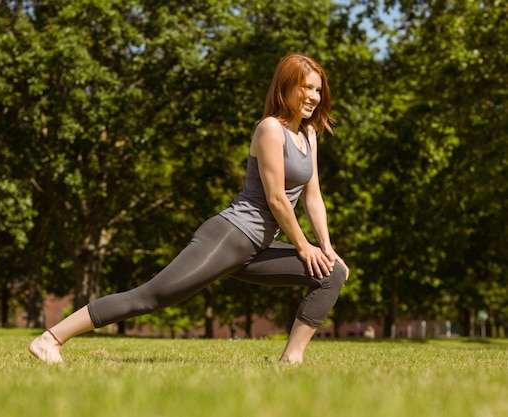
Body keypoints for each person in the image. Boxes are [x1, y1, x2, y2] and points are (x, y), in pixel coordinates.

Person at [29, 53, 349, 365]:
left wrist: (325, 247)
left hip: (259, 246)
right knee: (151, 297)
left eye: (318, 89)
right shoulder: (269, 129)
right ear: (286, 87)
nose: (314, 97)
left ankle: (291, 359)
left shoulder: (308, 134)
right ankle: (50, 339)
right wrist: (303, 246)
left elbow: (313, 196)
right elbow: (277, 198)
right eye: (306, 87)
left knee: (332, 272)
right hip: (230, 237)